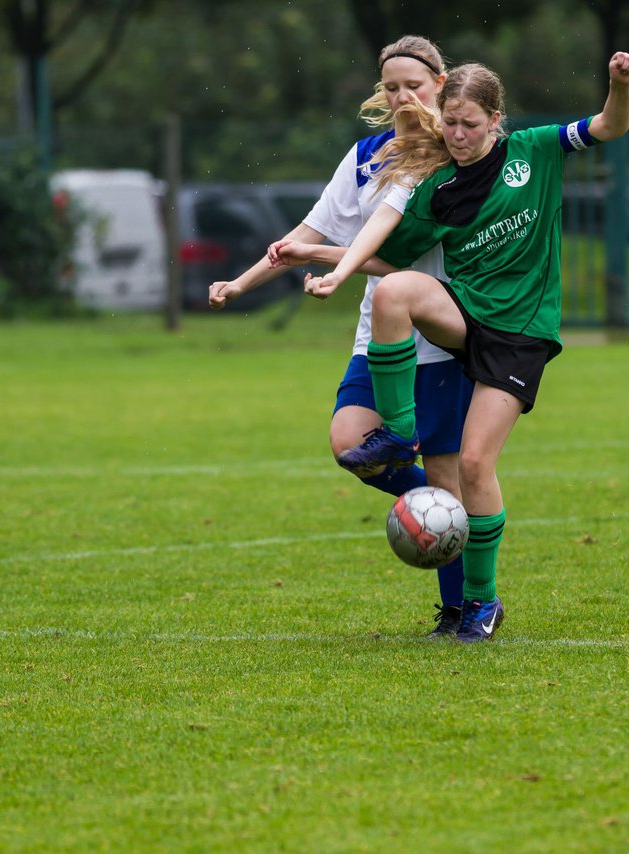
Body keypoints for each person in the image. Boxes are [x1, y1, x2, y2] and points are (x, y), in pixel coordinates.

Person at [292, 52, 629, 642]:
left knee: (476, 465)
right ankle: (400, 432)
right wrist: (321, 256)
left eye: (470, 125)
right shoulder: (439, 188)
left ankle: (481, 604)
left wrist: (619, 85)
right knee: (394, 292)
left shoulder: (535, 150)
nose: (456, 135)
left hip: (520, 332)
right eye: (449, 122)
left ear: (496, 120)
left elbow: (609, 125)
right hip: (467, 317)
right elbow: (390, 256)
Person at [208, 36, 474, 637]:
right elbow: (306, 232)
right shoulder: (366, 155)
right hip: (377, 333)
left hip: (440, 331)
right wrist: (239, 283)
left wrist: (333, 263)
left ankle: (462, 607)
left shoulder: (458, 155)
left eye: (415, 84)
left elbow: (387, 252)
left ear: (440, 82)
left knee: (444, 469)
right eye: (392, 86)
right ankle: (442, 515)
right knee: (349, 440)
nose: (404, 96)